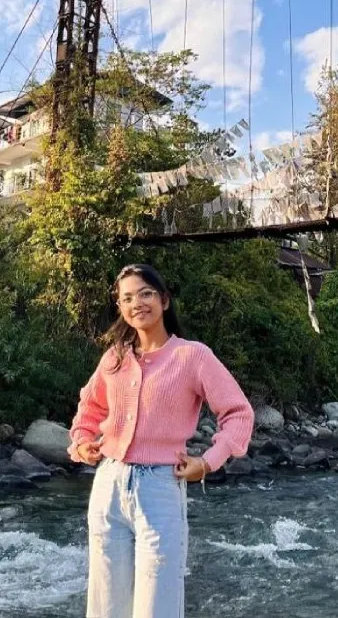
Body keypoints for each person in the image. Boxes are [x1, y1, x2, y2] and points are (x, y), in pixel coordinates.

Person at [68, 263, 255, 618]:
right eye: (127, 298)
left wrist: (208, 461)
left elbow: (238, 413)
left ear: (164, 300)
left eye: (145, 293)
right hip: (108, 484)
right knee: (105, 605)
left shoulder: (193, 356)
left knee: (158, 605)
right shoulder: (115, 357)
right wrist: (80, 443)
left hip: (160, 487)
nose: (137, 303)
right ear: (120, 308)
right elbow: (88, 408)